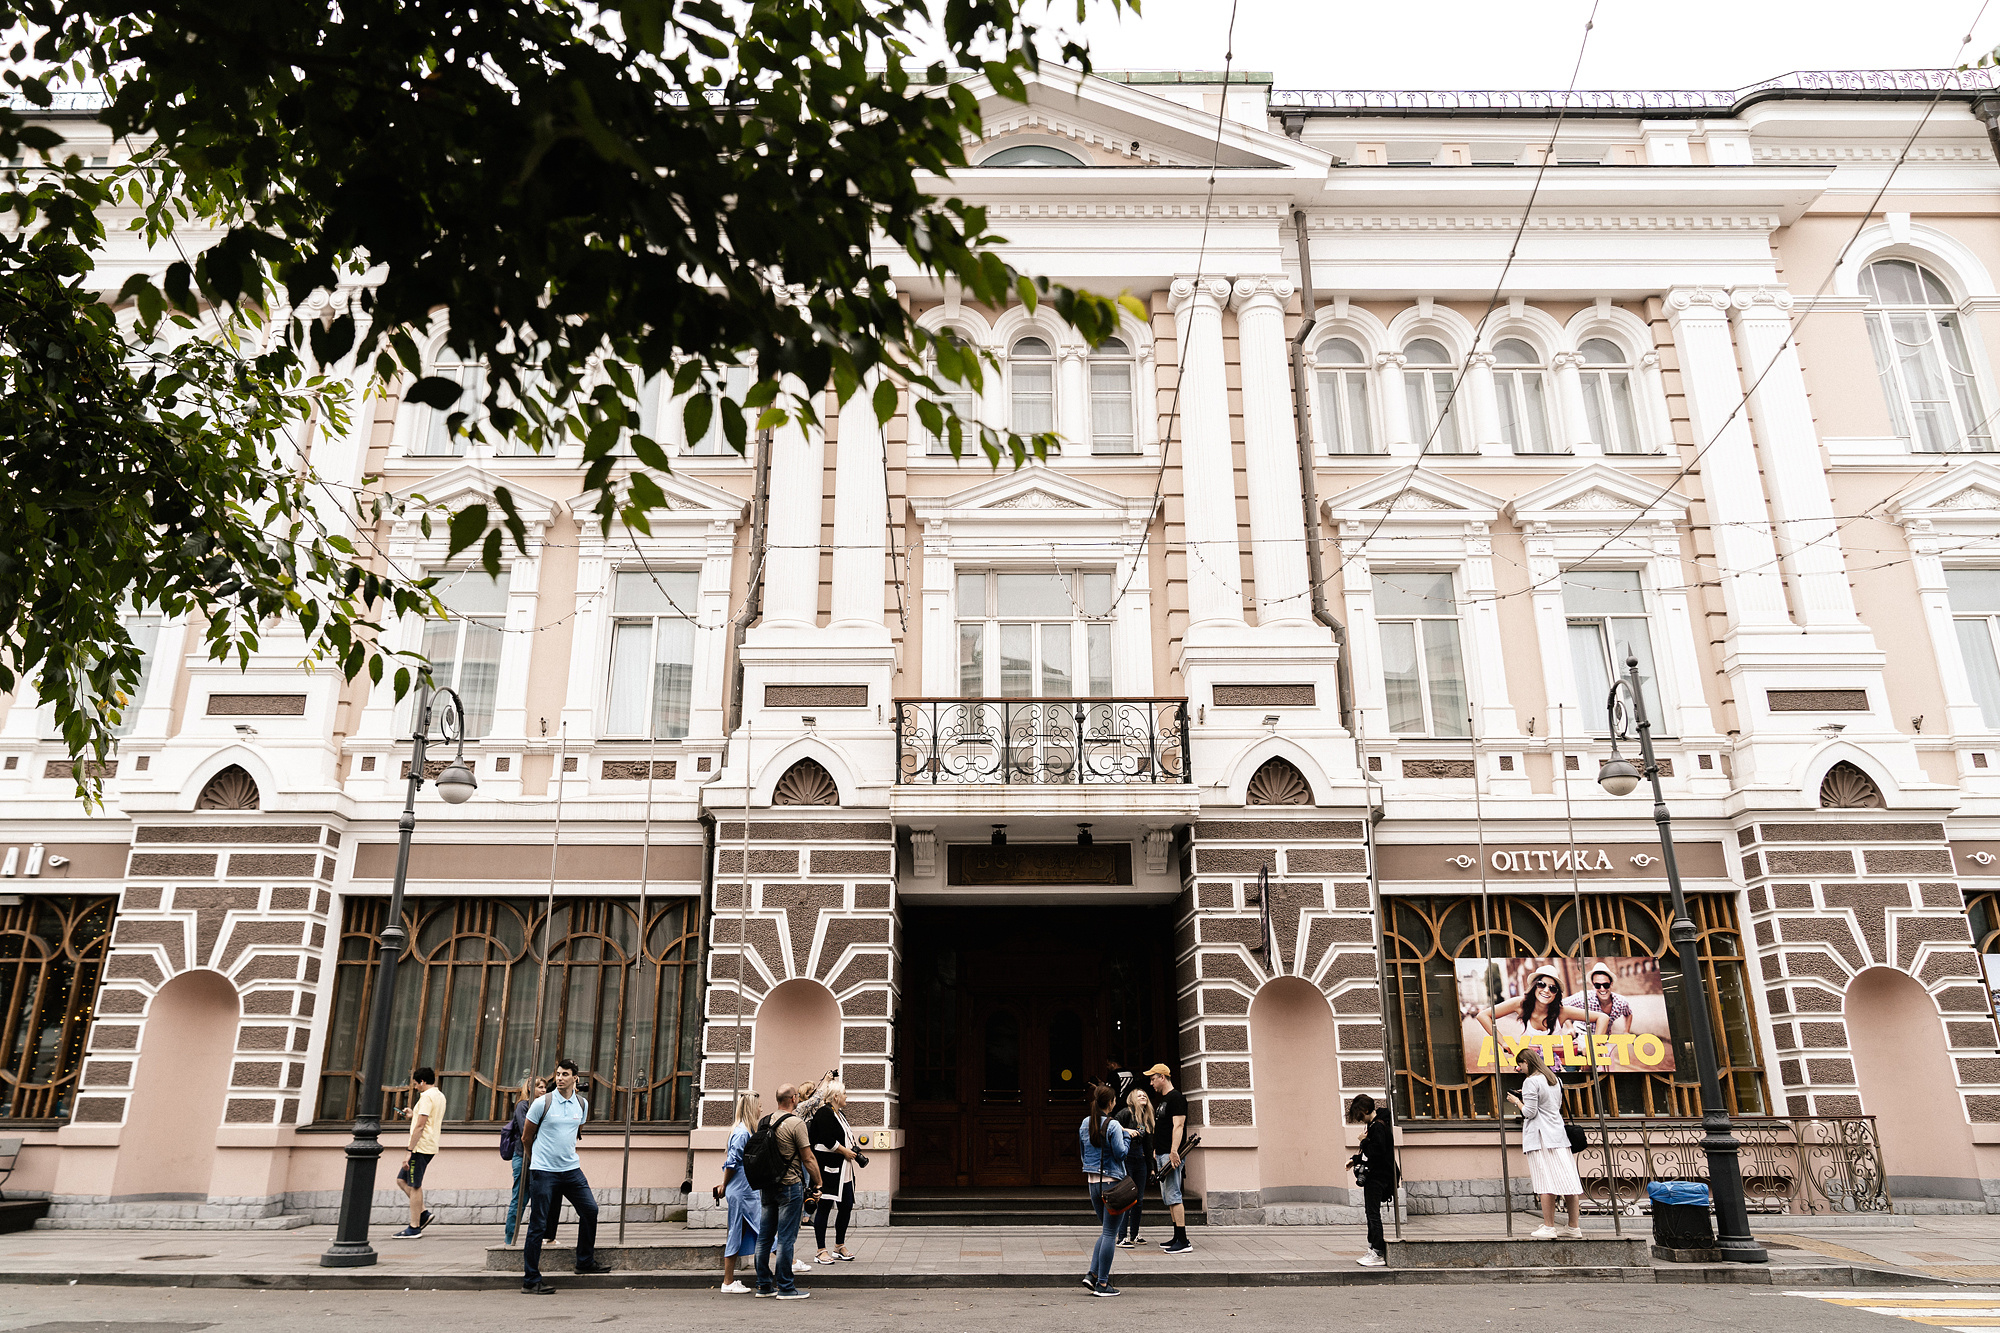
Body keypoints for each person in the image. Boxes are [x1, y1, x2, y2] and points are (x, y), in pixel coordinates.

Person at [520, 1058, 613, 1293]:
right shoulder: (542, 1103)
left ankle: (584, 1262)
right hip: (544, 1171)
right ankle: (531, 1280)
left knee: (590, 1210)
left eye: (565, 1074)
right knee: (538, 1225)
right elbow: (526, 1137)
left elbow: (577, 1132)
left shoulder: (582, 1105)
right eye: (558, 1074)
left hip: (571, 1170)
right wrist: (536, 1162)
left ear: (575, 1079)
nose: (560, 1078)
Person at [753, 1082, 822, 1300]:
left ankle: (763, 1285)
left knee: (764, 1238)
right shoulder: (795, 1123)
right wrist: (818, 1183)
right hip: (789, 1186)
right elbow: (808, 1157)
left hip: (767, 1185)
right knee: (785, 1239)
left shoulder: (764, 1121)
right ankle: (785, 1287)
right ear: (793, 1099)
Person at [1508, 1043, 1584, 1240]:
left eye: (1520, 1065)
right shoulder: (1555, 1079)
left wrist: (1517, 1102)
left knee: (1545, 1183)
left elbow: (1530, 1112)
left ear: (1527, 1062)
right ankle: (1573, 1227)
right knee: (1568, 1182)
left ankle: (1549, 1227)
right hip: (1558, 1135)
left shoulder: (1530, 1082)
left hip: (1541, 1138)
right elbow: (1550, 1105)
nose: (1519, 1069)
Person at [1477, 964, 1601, 1068]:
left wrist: (1595, 1045)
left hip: (1559, 1064)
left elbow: (1602, 1018)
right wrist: (1504, 1042)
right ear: (1534, 986)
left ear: (1556, 994)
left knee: (1588, 1067)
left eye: (1552, 988)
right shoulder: (1520, 1004)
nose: (1546, 990)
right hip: (1532, 1064)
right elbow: (1483, 1015)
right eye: (1542, 984)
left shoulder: (1561, 1011)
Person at [1079, 1082, 1129, 1297]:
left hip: (1093, 1183)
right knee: (1111, 1233)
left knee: (1106, 1230)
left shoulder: (1085, 1123)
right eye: (1115, 1100)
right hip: (1112, 1184)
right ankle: (1102, 1283)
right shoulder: (1114, 1125)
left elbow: (1083, 1153)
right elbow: (1121, 1154)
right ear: (1110, 1102)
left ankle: (1092, 1275)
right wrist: (1128, 1136)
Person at [711, 1091, 763, 1292]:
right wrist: (724, 1185)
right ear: (751, 1108)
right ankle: (727, 1281)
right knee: (743, 1230)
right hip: (741, 1190)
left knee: (749, 1229)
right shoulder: (742, 1133)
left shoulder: (744, 1131)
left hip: (744, 1189)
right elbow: (732, 1163)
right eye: (759, 1106)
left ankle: (729, 1280)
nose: (761, 1109)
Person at [390, 1066, 446, 1239]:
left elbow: (421, 1126)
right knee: (401, 1180)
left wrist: (409, 1151)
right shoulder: (439, 1095)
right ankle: (423, 1213)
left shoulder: (426, 1097)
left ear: (422, 1081)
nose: (415, 1087)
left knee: (415, 1185)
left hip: (420, 1146)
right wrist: (412, 1114)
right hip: (429, 1145)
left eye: (415, 1084)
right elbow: (426, 1118)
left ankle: (414, 1227)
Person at [809, 1080, 861, 1264]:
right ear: (836, 1096)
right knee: (824, 1207)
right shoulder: (824, 1113)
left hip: (844, 1170)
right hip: (829, 1170)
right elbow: (827, 1139)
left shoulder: (839, 1114)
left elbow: (845, 1136)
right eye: (844, 1093)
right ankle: (820, 1250)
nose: (846, 1096)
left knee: (846, 1205)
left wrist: (852, 1149)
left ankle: (839, 1245)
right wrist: (845, 1151)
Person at [1144, 1063, 1193, 1254]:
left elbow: (1178, 1126)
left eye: (1153, 1078)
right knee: (1169, 1196)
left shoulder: (1177, 1098)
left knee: (1174, 1195)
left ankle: (1183, 1240)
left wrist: (1174, 1151)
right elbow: (1163, 1128)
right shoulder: (1164, 1100)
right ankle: (1176, 1236)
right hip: (1163, 1153)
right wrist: (1157, 1148)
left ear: (1162, 1077)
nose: (1151, 1083)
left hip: (1171, 1154)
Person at [1345, 1093, 1397, 1267]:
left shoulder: (1378, 1127)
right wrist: (1355, 1160)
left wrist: (1364, 1141)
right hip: (1378, 1175)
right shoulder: (1375, 1125)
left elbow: (1376, 1152)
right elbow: (1371, 1154)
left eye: (1359, 1113)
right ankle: (1372, 1249)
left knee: (1373, 1214)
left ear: (1366, 1110)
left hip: (1378, 1177)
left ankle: (1377, 1252)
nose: (1358, 1118)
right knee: (1371, 1213)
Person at [503, 1075, 548, 1246]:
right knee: (520, 1198)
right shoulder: (523, 1106)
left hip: (540, 1157)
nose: (543, 1090)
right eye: (540, 1087)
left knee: (541, 1198)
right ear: (530, 1089)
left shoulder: (545, 1106)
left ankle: (540, 1237)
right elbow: (526, 1132)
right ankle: (510, 1238)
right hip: (523, 1157)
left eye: (544, 1087)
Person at [1113, 1087, 1153, 1248]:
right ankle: (1122, 1237)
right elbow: (1112, 1126)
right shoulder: (1125, 1113)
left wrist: (1151, 1167)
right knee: (1127, 1198)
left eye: (1145, 1095)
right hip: (1127, 1159)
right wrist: (1127, 1130)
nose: (1143, 1097)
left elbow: (1149, 1145)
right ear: (1132, 1099)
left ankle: (1135, 1234)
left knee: (1139, 1200)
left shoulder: (1147, 1118)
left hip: (1141, 1161)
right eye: (1139, 1095)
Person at [1564, 963, 1634, 1038]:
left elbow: (1628, 1014)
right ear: (1593, 986)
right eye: (1597, 985)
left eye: (1606, 985)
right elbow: (1562, 1005)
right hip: (1582, 1034)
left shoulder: (1621, 1002)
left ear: (1611, 984)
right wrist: (1570, 1027)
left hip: (1603, 1037)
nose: (1602, 989)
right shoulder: (1584, 997)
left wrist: (1626, 1031)